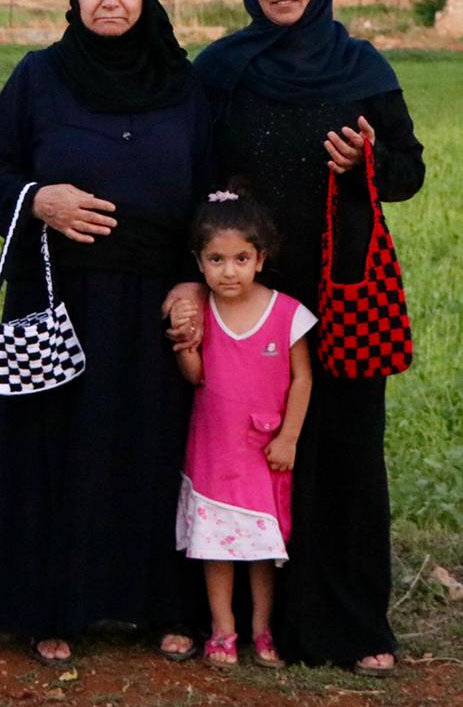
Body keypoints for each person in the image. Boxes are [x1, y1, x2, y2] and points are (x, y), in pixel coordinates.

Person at [0, 0, 210, 667]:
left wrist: (197, 278)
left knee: (156, 448)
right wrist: (38, 197)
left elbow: (216, 189)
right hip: (57, 298)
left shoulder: (187, 85)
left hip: (157, 304)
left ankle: (162, 606)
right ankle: (51, 607)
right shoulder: (41, 78)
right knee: (56, 449)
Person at [191, 0, 425, 677]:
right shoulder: (224, 70)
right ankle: (256, 624)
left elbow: (409, 172)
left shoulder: (361, 67)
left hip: (343, 292)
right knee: (245, 452)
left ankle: (353, 626)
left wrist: (368, 161)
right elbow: (197, 176)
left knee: (347, 454)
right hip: (248, 297)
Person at [173, 190, 313, 670]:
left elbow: (302, 378)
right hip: (215, 453)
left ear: (261, 258)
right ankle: (223, 631)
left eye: (240, 258)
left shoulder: (286, 312)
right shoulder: (203, 310)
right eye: (216, 259)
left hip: (264, 454)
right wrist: (185, 344)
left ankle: (262, 630)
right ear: (199, 261)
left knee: (261, 551)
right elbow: (197, 376)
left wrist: (290, 437)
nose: (228, 271)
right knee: (216, 547)